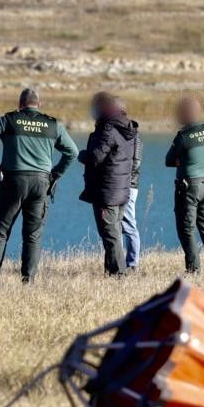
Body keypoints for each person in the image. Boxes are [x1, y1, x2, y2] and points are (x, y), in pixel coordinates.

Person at [0, 88, 78, 284]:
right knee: (32, 235)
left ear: (20, 104)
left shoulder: (9, 119)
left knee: (0, 232)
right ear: (40, 105)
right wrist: (56, 174)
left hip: (13, 181)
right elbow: (72, 152)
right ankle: (28, 281)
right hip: (41, 183)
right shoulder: (52, 124)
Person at [78, 92, 138, 276]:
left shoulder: (108, 129)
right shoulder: (127, 129)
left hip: (107, 191)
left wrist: (82, 155)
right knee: (114, 233)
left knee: (110, 235)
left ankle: (119, 275)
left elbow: (96, 157)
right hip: (121, 189)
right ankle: (110, 272)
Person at [166, 96, 204, 275]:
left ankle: (193, 270)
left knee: (186, 229)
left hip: (189, 187)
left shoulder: (183, 136)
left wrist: (181, 159)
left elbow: (168, 160)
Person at [116, 97, 143, 271]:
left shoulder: (129, 135)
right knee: (122, 225)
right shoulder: (136, 134)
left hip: (127, 184)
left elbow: (135, 162)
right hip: (130, 183)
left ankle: (132, 264)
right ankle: (124, 263)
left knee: (128, 224)